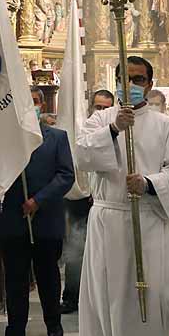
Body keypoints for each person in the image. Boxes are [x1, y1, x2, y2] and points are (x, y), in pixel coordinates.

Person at [76, 56, 169, 336]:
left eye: (139, 79)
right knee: (115, 301)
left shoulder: (165, 125)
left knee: (162, 296)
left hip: (150, 220)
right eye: (126, 78)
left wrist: (150, 183)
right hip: (111, 222)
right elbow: (82, 155)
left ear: (150, 85)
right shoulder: (100, 119)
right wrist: (113, 130)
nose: (132, 84)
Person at [0, 87, 75, 336]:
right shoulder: (7, 140)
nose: (30, 108)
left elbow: (66, 175)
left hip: (46, 219)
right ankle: (15, 332)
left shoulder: (57, 138)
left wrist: (38, 200)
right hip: (15, 218)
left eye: (33, 103)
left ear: (41, 105)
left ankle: (53, 322)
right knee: (16, 278)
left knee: (48, 276)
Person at [62, 89, 114, 314]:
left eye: (105, 108)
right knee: (76, 249)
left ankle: (104, 297)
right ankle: (72, 297)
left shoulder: (119, 131)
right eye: (97, 107)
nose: (100, 111)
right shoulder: (83, 131)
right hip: (81, 199)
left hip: (109, 202)